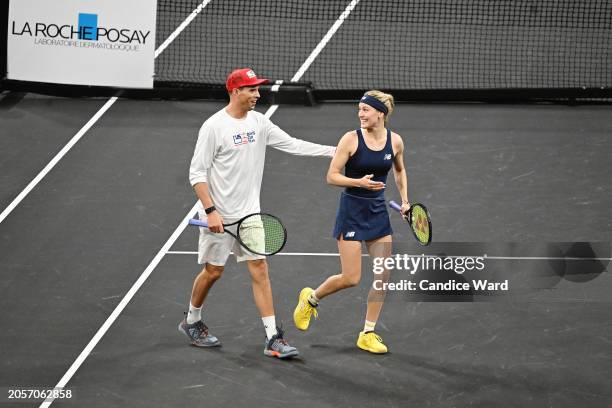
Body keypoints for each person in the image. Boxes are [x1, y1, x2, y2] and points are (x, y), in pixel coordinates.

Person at [179, 68, 335, 359]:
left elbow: (293, 145)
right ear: (236, 91)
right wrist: (211, 211)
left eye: (257, 89)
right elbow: (197, 173)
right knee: (213, 272)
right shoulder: (213, 127)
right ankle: (191, 320)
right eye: (252, 89)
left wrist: (336, 152)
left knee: (260, 269)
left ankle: (273, 338)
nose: (258, 94)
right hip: (220, 216)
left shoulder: (259, 122)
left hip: (250, 215)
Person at [293, 90, 409, 354]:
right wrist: (358, 182)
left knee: (383, 275)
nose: (360, 114)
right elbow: (332, 176)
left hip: (378, 211)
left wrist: (405, 201)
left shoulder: (396, 142)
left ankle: (367, 333)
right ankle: (310, 299)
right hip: (352, 211)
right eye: (359, 109)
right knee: (351, 277)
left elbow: (400, 170)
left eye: (365, 110)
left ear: (380, 113)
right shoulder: (350, 139)